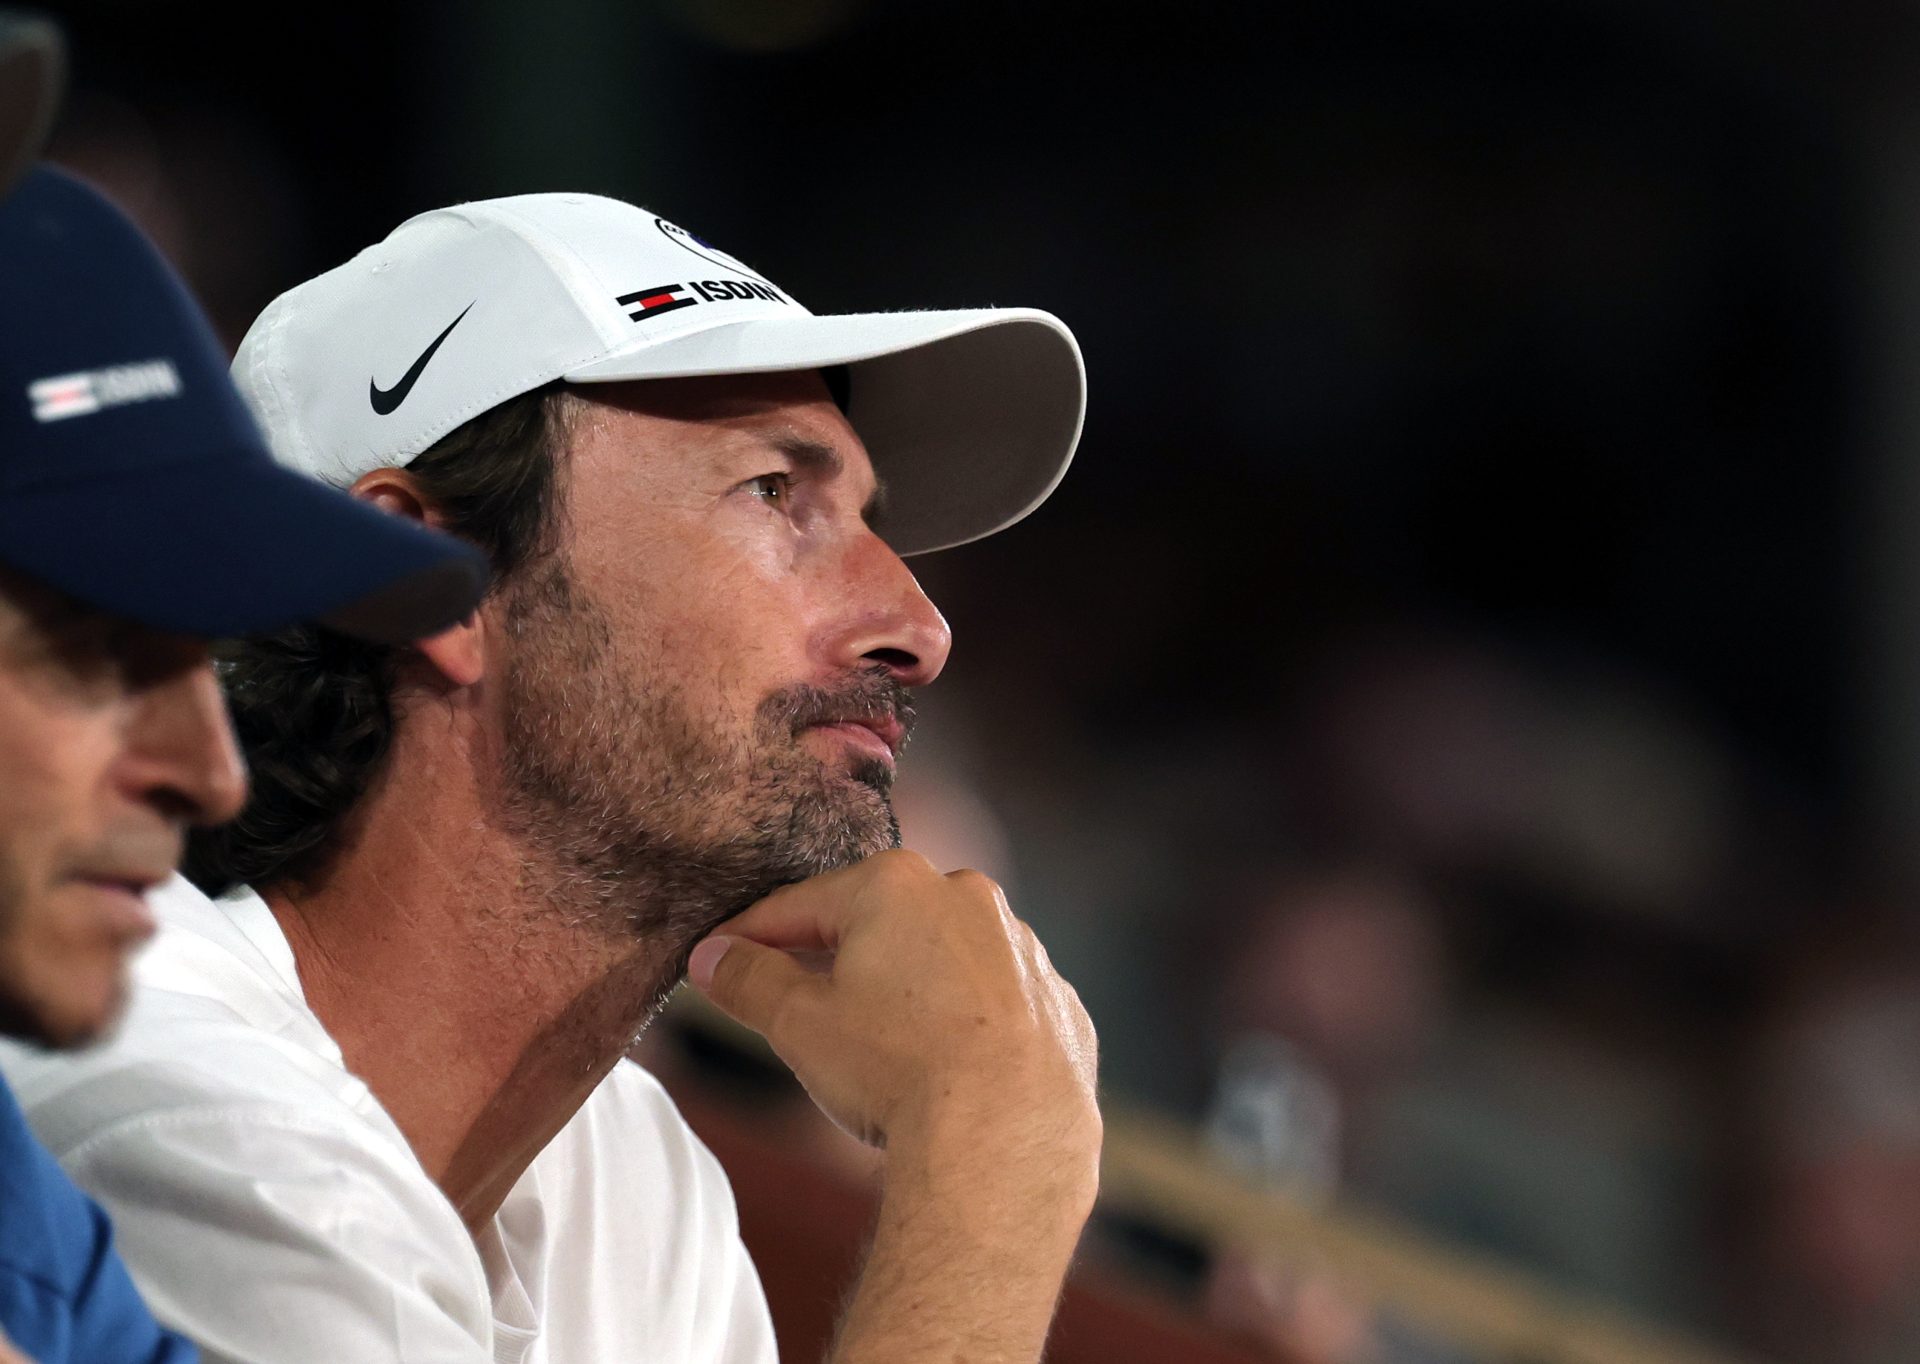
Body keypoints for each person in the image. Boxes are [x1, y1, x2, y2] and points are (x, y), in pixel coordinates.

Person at [0, 191, 1101, 1363]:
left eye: (867, 519)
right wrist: (989, 1166)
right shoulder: (175, 1096)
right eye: (776, 493)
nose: (919, 629)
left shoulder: (634, 1190)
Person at [0, 163, 489, 1359]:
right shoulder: (169, 1087)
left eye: (192, 654)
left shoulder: (22, 1208)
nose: (209, 773)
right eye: (93, 651)